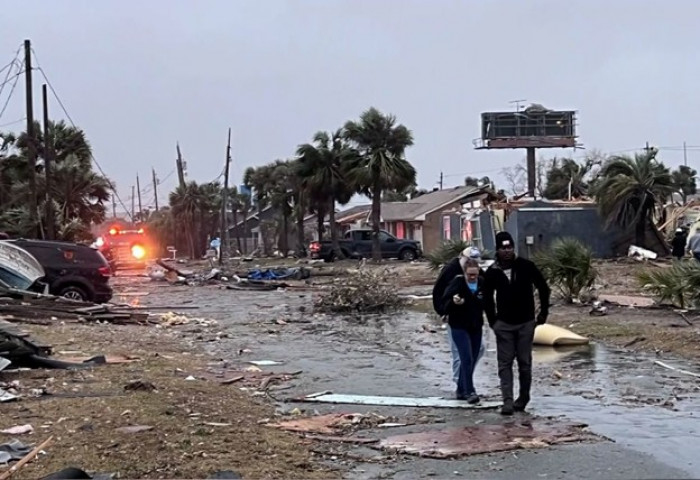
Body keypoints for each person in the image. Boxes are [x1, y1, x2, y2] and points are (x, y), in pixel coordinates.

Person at [483, 231, 550, 415]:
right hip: (503, 324)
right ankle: (507, 401)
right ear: (497, 250)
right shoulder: (492, 272)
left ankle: (524, 398)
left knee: (524, 363)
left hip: (526, 323)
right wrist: (493, 321)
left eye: (509, 247)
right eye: (503, 248)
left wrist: (543, 312)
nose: (507, 251)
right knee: (504, 364)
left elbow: (543, 287)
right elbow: (487, 298)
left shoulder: (526, 266)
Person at [431, 247, 485, 395]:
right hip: (455, 318)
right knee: (459, 353)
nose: (472, 263)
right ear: (463, 258)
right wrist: (443, 311)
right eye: (469, 261)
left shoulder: (478, 275)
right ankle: (461, 385)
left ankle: (464, 382)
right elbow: (438, 291)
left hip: (473, 320)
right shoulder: (452, 271)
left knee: (479, 349)